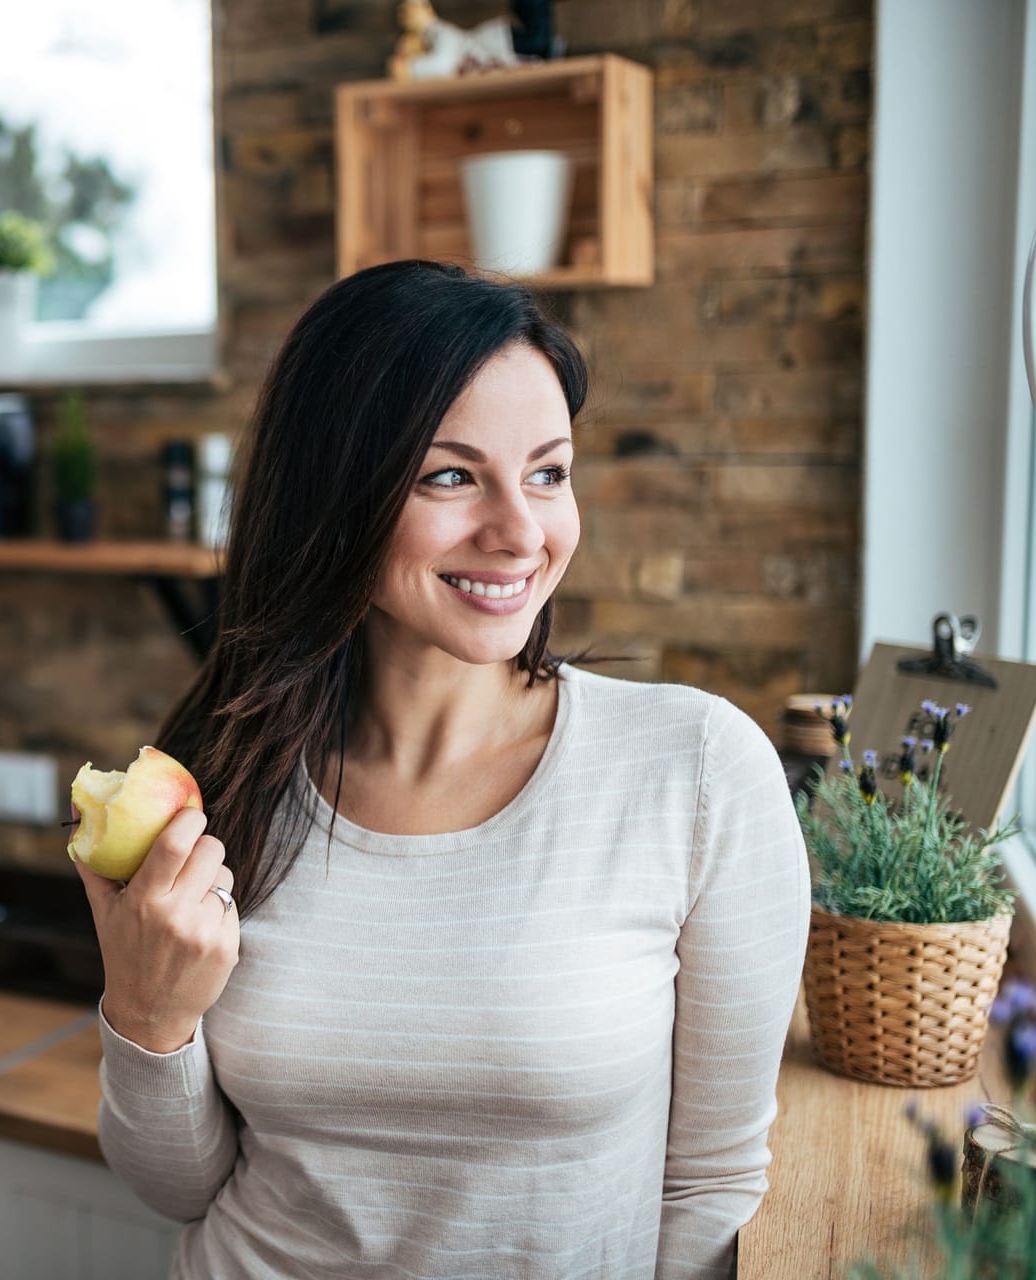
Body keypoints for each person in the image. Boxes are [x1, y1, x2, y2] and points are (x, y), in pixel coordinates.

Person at [73, 260, 810, 1280]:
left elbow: (709, 1188)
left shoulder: (695, 770)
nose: (521, 531)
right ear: (337, 493)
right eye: (450, 475)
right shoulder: (223, 776)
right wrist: (145, 1018)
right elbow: (180, 1187)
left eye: (548, 471)